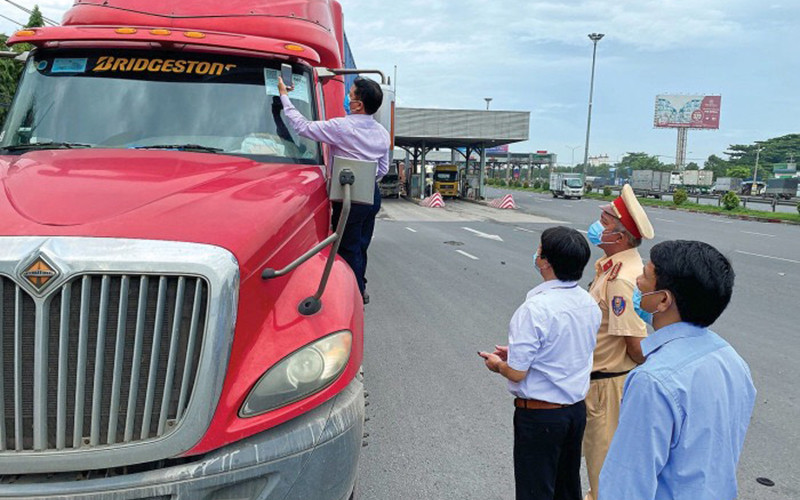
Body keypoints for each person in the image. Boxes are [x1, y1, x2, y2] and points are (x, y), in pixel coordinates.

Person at [599, 240, 756, 500]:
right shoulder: (732, 361)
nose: (637, 282)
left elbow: (625, 486)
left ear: (662, 299)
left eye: (646, 276)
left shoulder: (653, 381)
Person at [479, 226, 601, 500]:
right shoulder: (588, 302)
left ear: (545, 262)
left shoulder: (535, 309)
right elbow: (567, 349)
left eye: (539, 250)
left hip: (540, 416)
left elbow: (517, 373)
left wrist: (498, 364)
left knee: (535, 491)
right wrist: (519, 352)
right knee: (567, 489)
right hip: (574, 413)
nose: (536, 254)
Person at [278, 76, 390, 304]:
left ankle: (353, 297)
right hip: (371, 194)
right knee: (361, 244)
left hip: (350, 195)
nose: (347, 99)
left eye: (351, 95)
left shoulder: (341, 127)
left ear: (358, 105)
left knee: (347, 248)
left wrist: (284, 96)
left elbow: (302, 127)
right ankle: (362, 284)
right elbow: (383, 169)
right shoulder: (382, 133)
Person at [582, 183, 654, 500]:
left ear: (620, 237)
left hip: (608, 388)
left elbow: (636, 346)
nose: (598, 226)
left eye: (605, 221)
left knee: (603, 470)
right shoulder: (611, 268)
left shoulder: (623, 279)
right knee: (598, 467)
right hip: (598, 383)